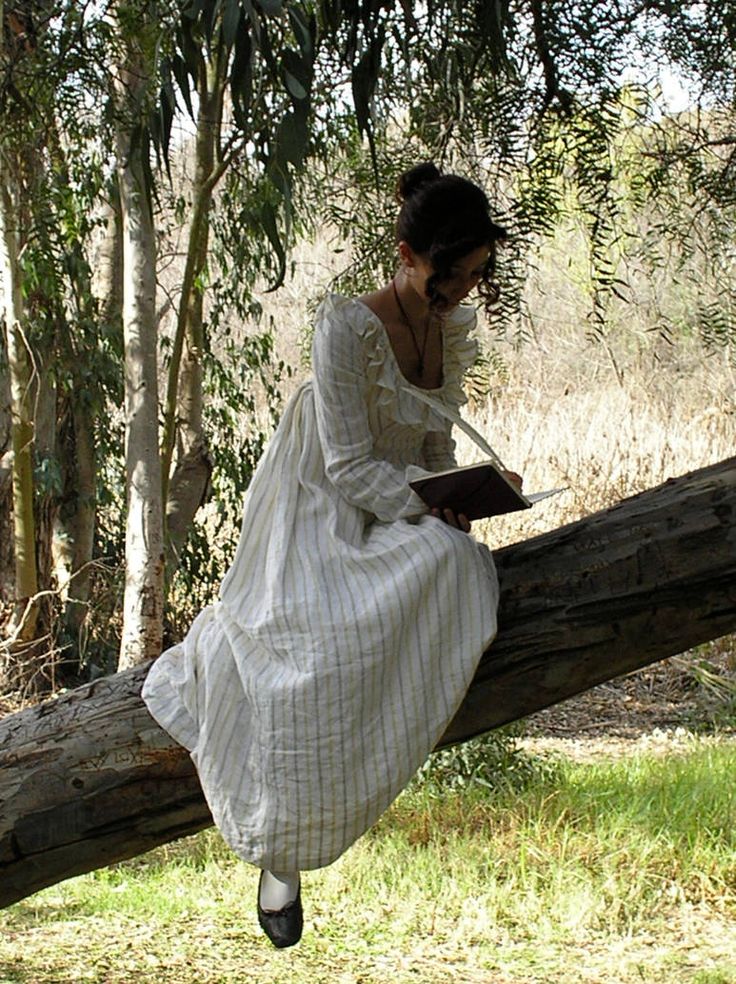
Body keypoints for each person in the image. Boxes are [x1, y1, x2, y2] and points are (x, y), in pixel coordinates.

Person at [142, 162, 517, 949]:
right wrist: (423, 500)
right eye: (456, 275)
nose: (467, 292)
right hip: (317, 506)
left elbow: (432, 443)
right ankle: (282, 852)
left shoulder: (448, 330)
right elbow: (347, 466)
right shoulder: (345, 327)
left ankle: (308, 829)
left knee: (458, 569)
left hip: (396, 505)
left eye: (478, 274)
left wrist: (466, 493)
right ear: (408, 254)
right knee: (307, 662)